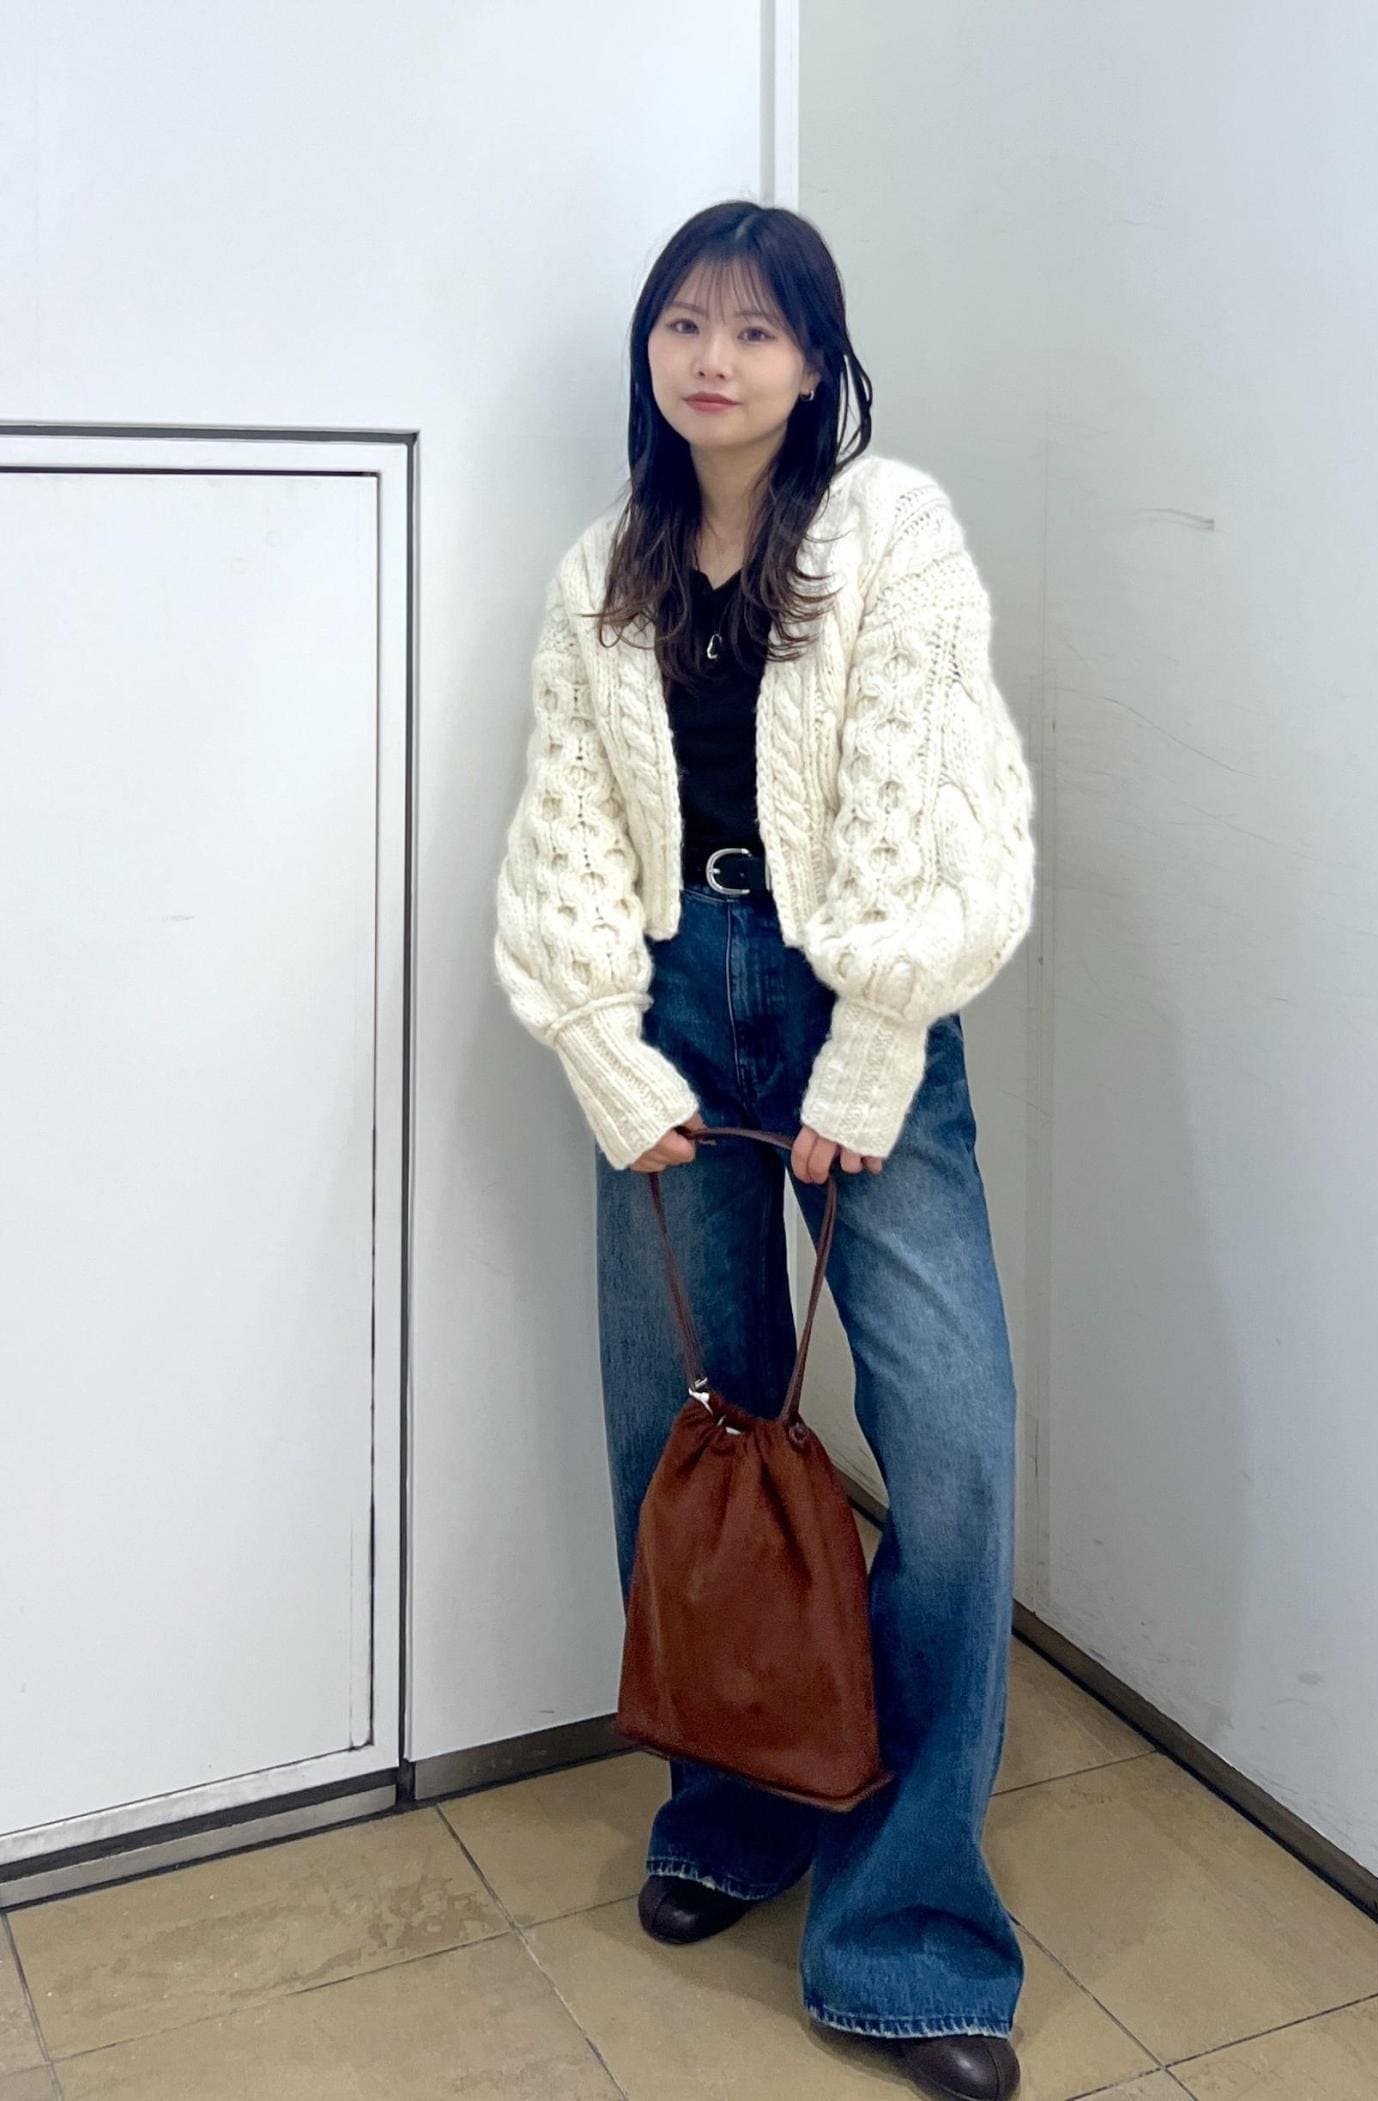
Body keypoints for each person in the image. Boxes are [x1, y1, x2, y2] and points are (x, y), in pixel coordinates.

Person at [492, 198, 1035, 2101]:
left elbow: (942, 807)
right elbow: (566, 826)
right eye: (683, 323)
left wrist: (869, 1051)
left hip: (851, 991)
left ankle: (908, 1928)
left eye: (755, 328)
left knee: (951, 1441)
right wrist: (602, 1049)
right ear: (650, 351)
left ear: (816, 363)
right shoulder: (604, 568)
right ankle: (731, 1806)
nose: (712, 358)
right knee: (690, 1432)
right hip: (668, 994)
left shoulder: (892, 532)